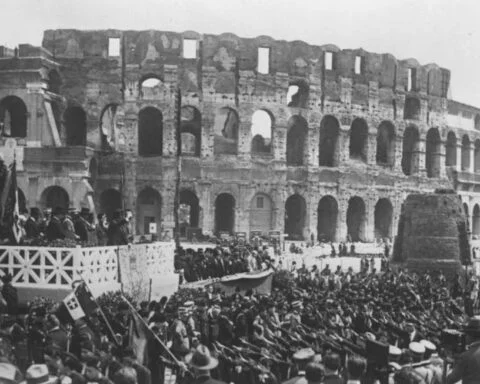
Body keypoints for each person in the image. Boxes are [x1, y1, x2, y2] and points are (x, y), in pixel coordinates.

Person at [447, 316, 480, 384]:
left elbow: (450, 379)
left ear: (471, 335)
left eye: (466, 334)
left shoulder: (466, 356)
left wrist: (449, 367)